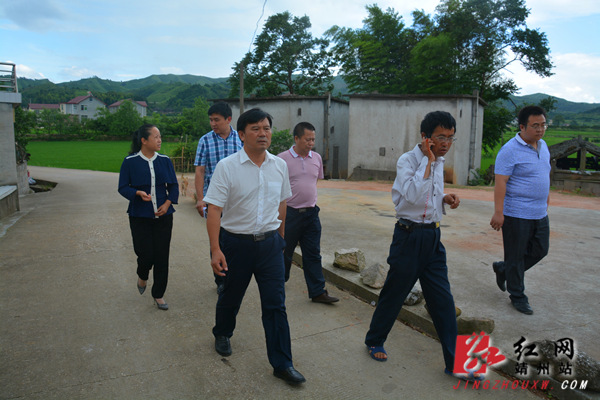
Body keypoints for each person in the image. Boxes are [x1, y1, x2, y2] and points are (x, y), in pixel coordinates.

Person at [364, 111, 481, 382]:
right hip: (408, 237)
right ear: (426, 137)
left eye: (450, 138)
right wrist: (427, 161)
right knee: (394, 294)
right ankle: (375, 340)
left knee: (443, 301)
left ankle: (455, 363)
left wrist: (444, 197)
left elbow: (428, 196)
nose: (446, 143)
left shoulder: (438, 162)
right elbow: (409, 197)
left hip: (433, 238)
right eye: (441, 137)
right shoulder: (408, 160)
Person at [203, 108, 306, 385]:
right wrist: (215, 249)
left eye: (266, 128)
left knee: (276, 305)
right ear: (241, 134)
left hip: (270, 245)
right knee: (231, 295)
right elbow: (214, 210)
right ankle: (222, 332)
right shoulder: (227, 167)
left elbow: (282, 203)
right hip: (236, 243)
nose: (263, 133)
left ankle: (282, 363)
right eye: (255, 129)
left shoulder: (279, 166)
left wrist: (281, 239)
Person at [490, 105, 550, 315]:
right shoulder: (509, 150)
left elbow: (545, 173)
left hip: (539, 212)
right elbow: (501, 182)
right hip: (516, 213)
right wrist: (499, 212)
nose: (540, 129)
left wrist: (546, 196)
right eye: (535, 126)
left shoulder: (543, 146)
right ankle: (517, 295)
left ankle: (504, 269)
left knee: (540, 250)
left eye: (543, 125)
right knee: (515, 255)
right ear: (522, 127)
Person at [118, 124, 179, 311]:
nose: (160, 140)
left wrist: (167, 204)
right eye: (156, 137)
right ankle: (142, 275)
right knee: (145, 254)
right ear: (144, 140)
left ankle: (158, 294)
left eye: (160, 136)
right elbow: (123, 187)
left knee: (162, 256)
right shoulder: (130, 162)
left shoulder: (165, 161)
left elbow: (173, 186)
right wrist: (137, 193)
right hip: (139, 215)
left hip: (164, 217)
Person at [277, 122, 339, 304]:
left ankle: (318, 291)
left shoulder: (316, 158)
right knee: (284, 251)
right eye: (307, 139)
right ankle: (278, 283)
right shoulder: (281, 159)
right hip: (290, 214)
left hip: (311, 214)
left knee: (313, 253)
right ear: (296, 138)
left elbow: (313, 182)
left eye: (313, 139)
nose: (311, 143)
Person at [194, 102, 243, 294]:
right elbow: (200, 171)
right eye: (211, 120)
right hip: (215, 200)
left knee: (237, 240)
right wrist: (200, 199)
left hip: (238, 199)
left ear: (228, 119)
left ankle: (235, 276)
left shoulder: (240, 139)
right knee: (218, 240)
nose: (213, 123)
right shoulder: (205, 140)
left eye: (216, 120)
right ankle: (221, 280)